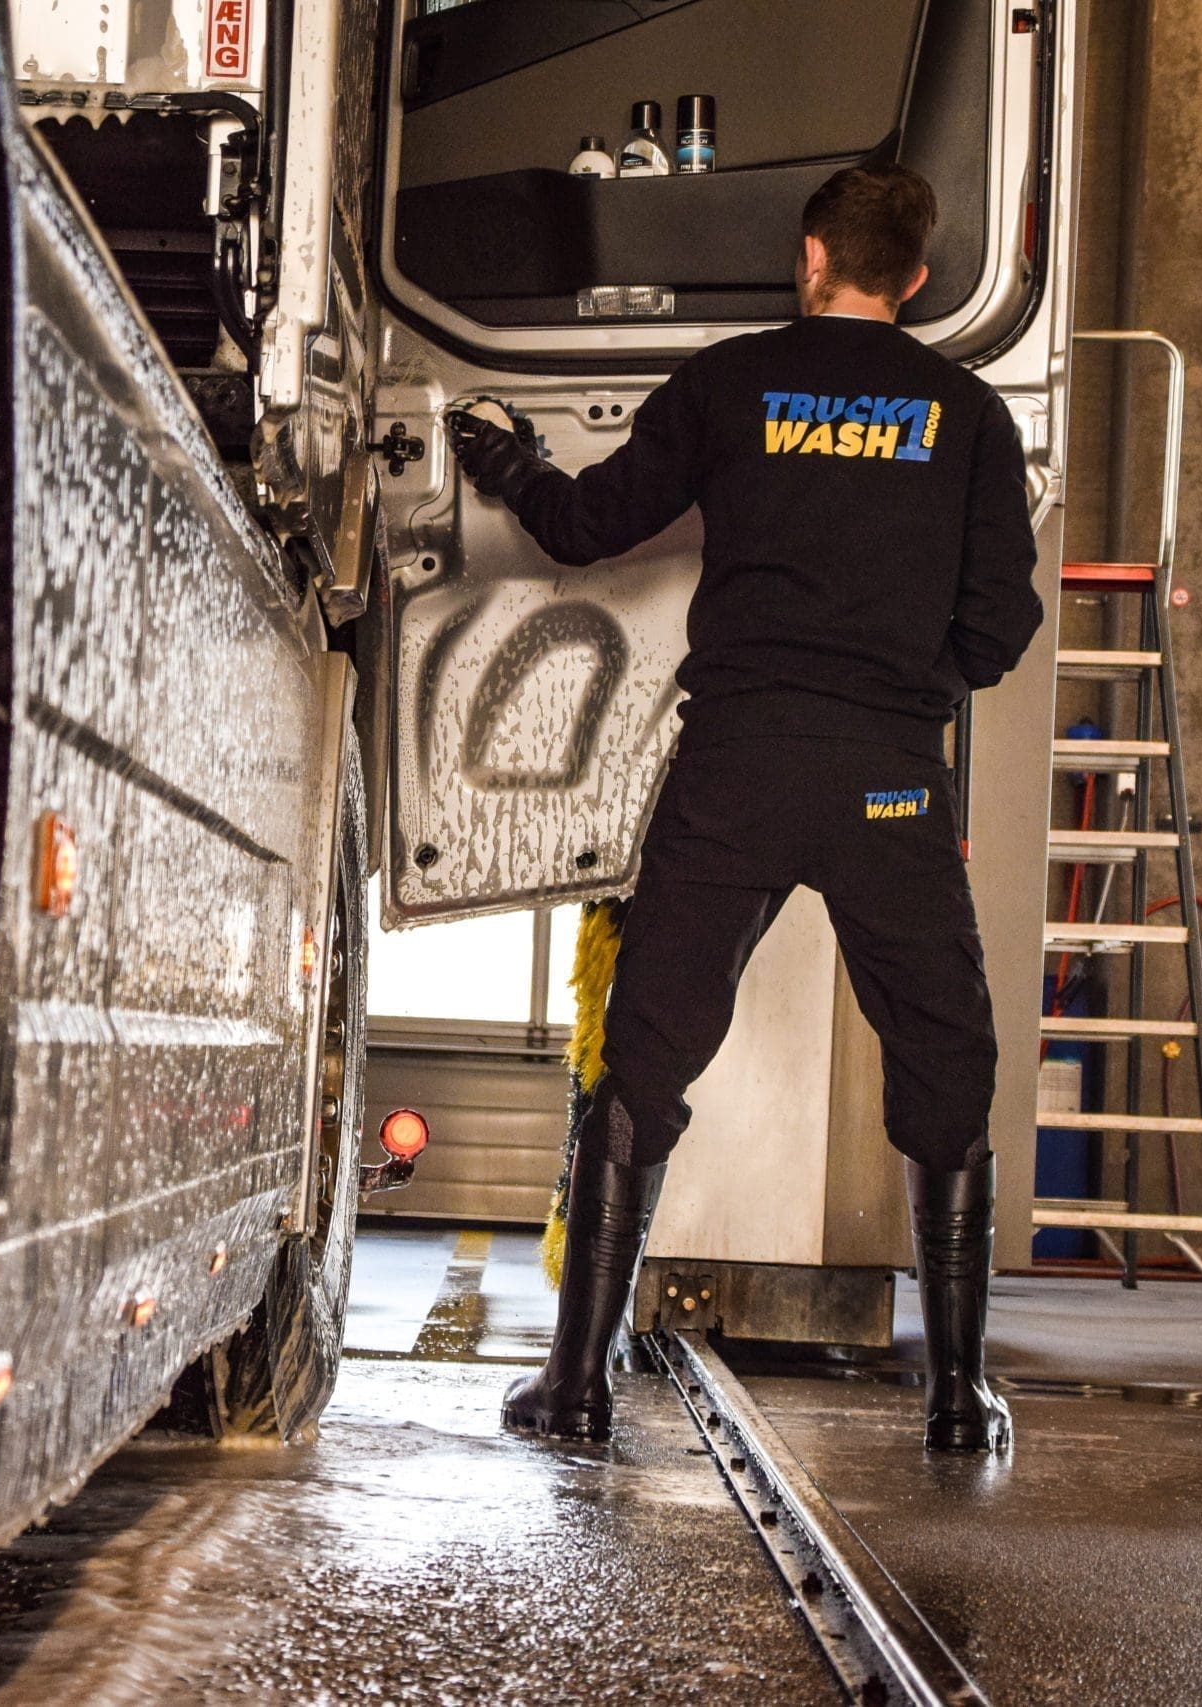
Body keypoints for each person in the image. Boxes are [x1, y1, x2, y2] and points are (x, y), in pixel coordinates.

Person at [450, 162, 1042, 1454]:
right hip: (889, 777)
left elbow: (591, 527)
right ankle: (953, 1396)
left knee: (650, 1053)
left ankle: (579, 1384)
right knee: (945, 1054)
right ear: (920, 278)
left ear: (812, 256)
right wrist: (903, 696)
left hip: (741, 762)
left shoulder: (730, 380)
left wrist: (510, 460)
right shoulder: (967, 413)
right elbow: (1004, 622)